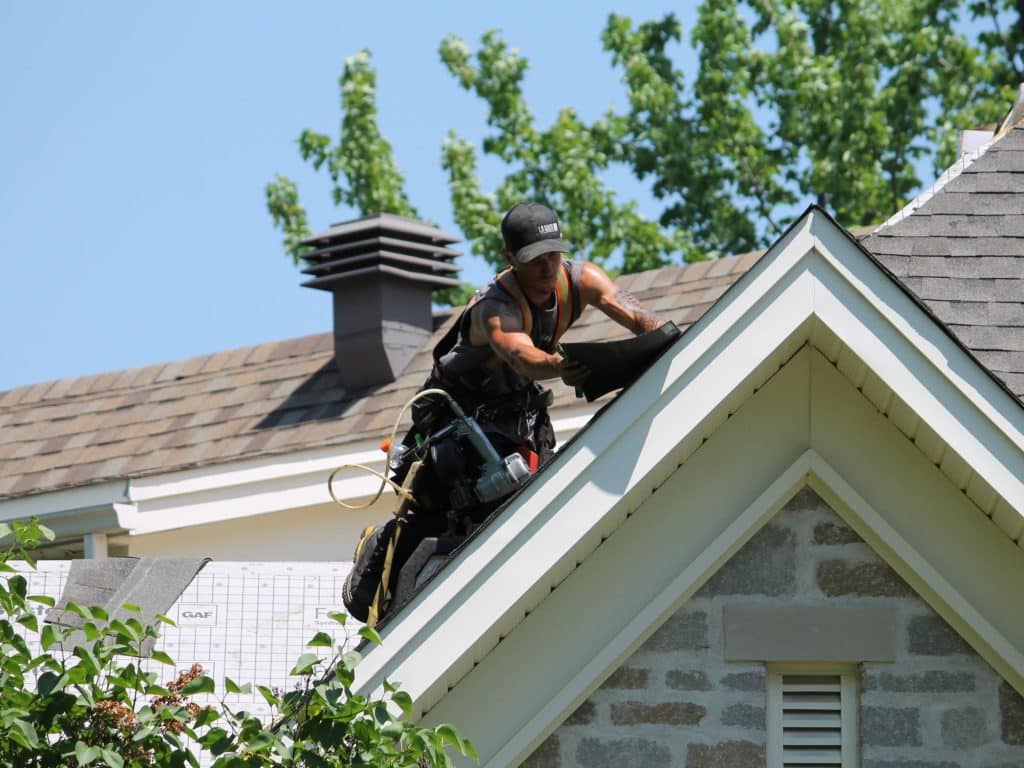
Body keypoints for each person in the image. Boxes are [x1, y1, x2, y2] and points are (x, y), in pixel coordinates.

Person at [344, 201, 665, 623]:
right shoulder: (495, 308)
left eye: (554, 254)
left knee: (536, 503)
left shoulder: (580, 279)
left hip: (519, 412)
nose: (549, 269)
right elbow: (520, 354)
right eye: (535, 260)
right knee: (441, 521)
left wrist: (669, 339)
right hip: (456, 423)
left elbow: (638, 315)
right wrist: (560, 366)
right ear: (511, 260)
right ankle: (381, 556)